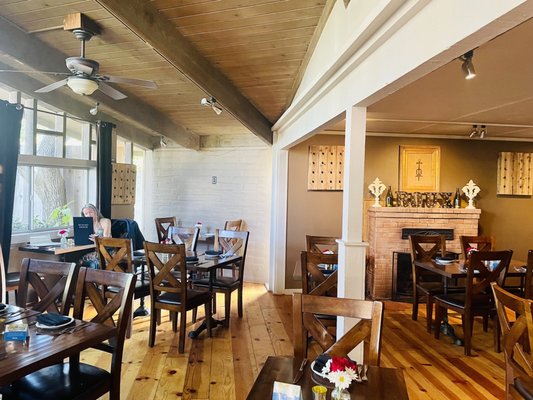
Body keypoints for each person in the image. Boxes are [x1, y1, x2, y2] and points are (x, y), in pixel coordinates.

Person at [79, 203, 111, 268]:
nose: (89, 215)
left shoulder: (105, 221)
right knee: (79, 261)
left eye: (91, 212)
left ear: (95, 212)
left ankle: (96, 277)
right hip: (96, 250)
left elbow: (106, 238)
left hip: (108, 250)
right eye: (86, 214)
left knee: (95, 263)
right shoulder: (86, 225)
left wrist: (97, 240)